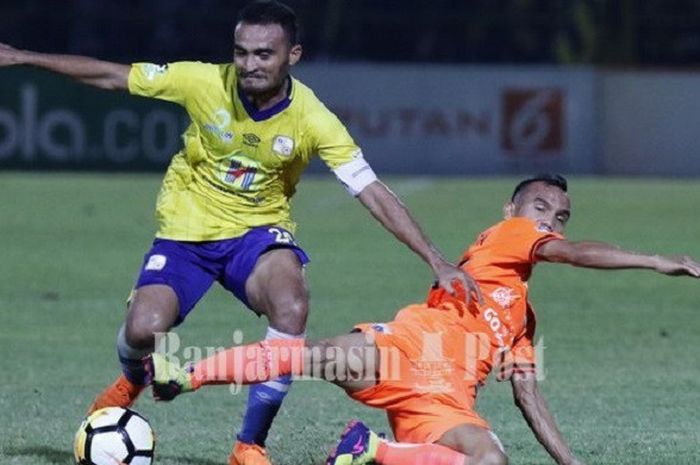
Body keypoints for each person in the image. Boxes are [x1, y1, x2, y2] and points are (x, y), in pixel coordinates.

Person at [0, 2, 480, 465]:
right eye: (241, 51)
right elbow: (112, 75)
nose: (249, 64)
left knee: (291, 306)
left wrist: (435, 258)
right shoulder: (201, 81)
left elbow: (370, 190)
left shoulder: (313, 118)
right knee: (143, 331)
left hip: (257, 234)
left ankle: (249, 444)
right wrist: (24, 57)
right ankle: (131, 380)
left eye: (263, 54)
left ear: (293, 55)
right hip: (185, 233)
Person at [148, 174, 700, 465]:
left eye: (559, 216)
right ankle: (184, 374)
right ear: (513, 212)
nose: (549, 222)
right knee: (312, 355)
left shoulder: (521, 317)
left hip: (445, 400)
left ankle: (371, 451)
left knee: (489, 459)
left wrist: (570, 461)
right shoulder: (508, 238)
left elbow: (528, 397)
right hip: (411, 346)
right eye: (540, 209)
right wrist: (657, 260)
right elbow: (574, 252)